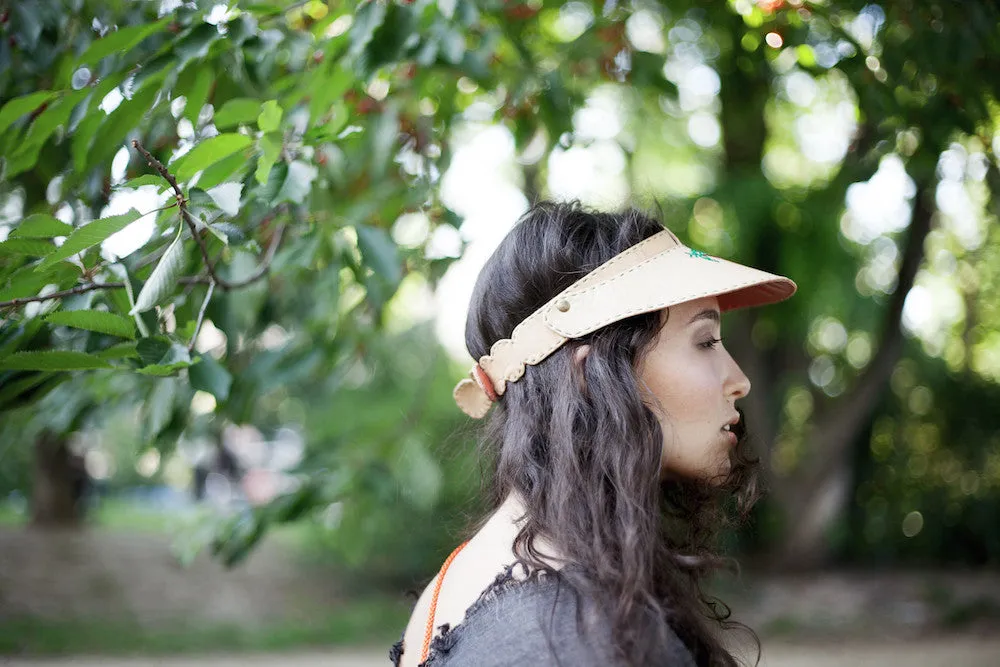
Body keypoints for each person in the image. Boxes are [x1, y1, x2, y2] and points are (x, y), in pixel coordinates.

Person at [390, 201, 797, 667]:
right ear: (590, 376)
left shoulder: (463, 577)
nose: (738, 379)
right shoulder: (583, 637)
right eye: (705, 342)